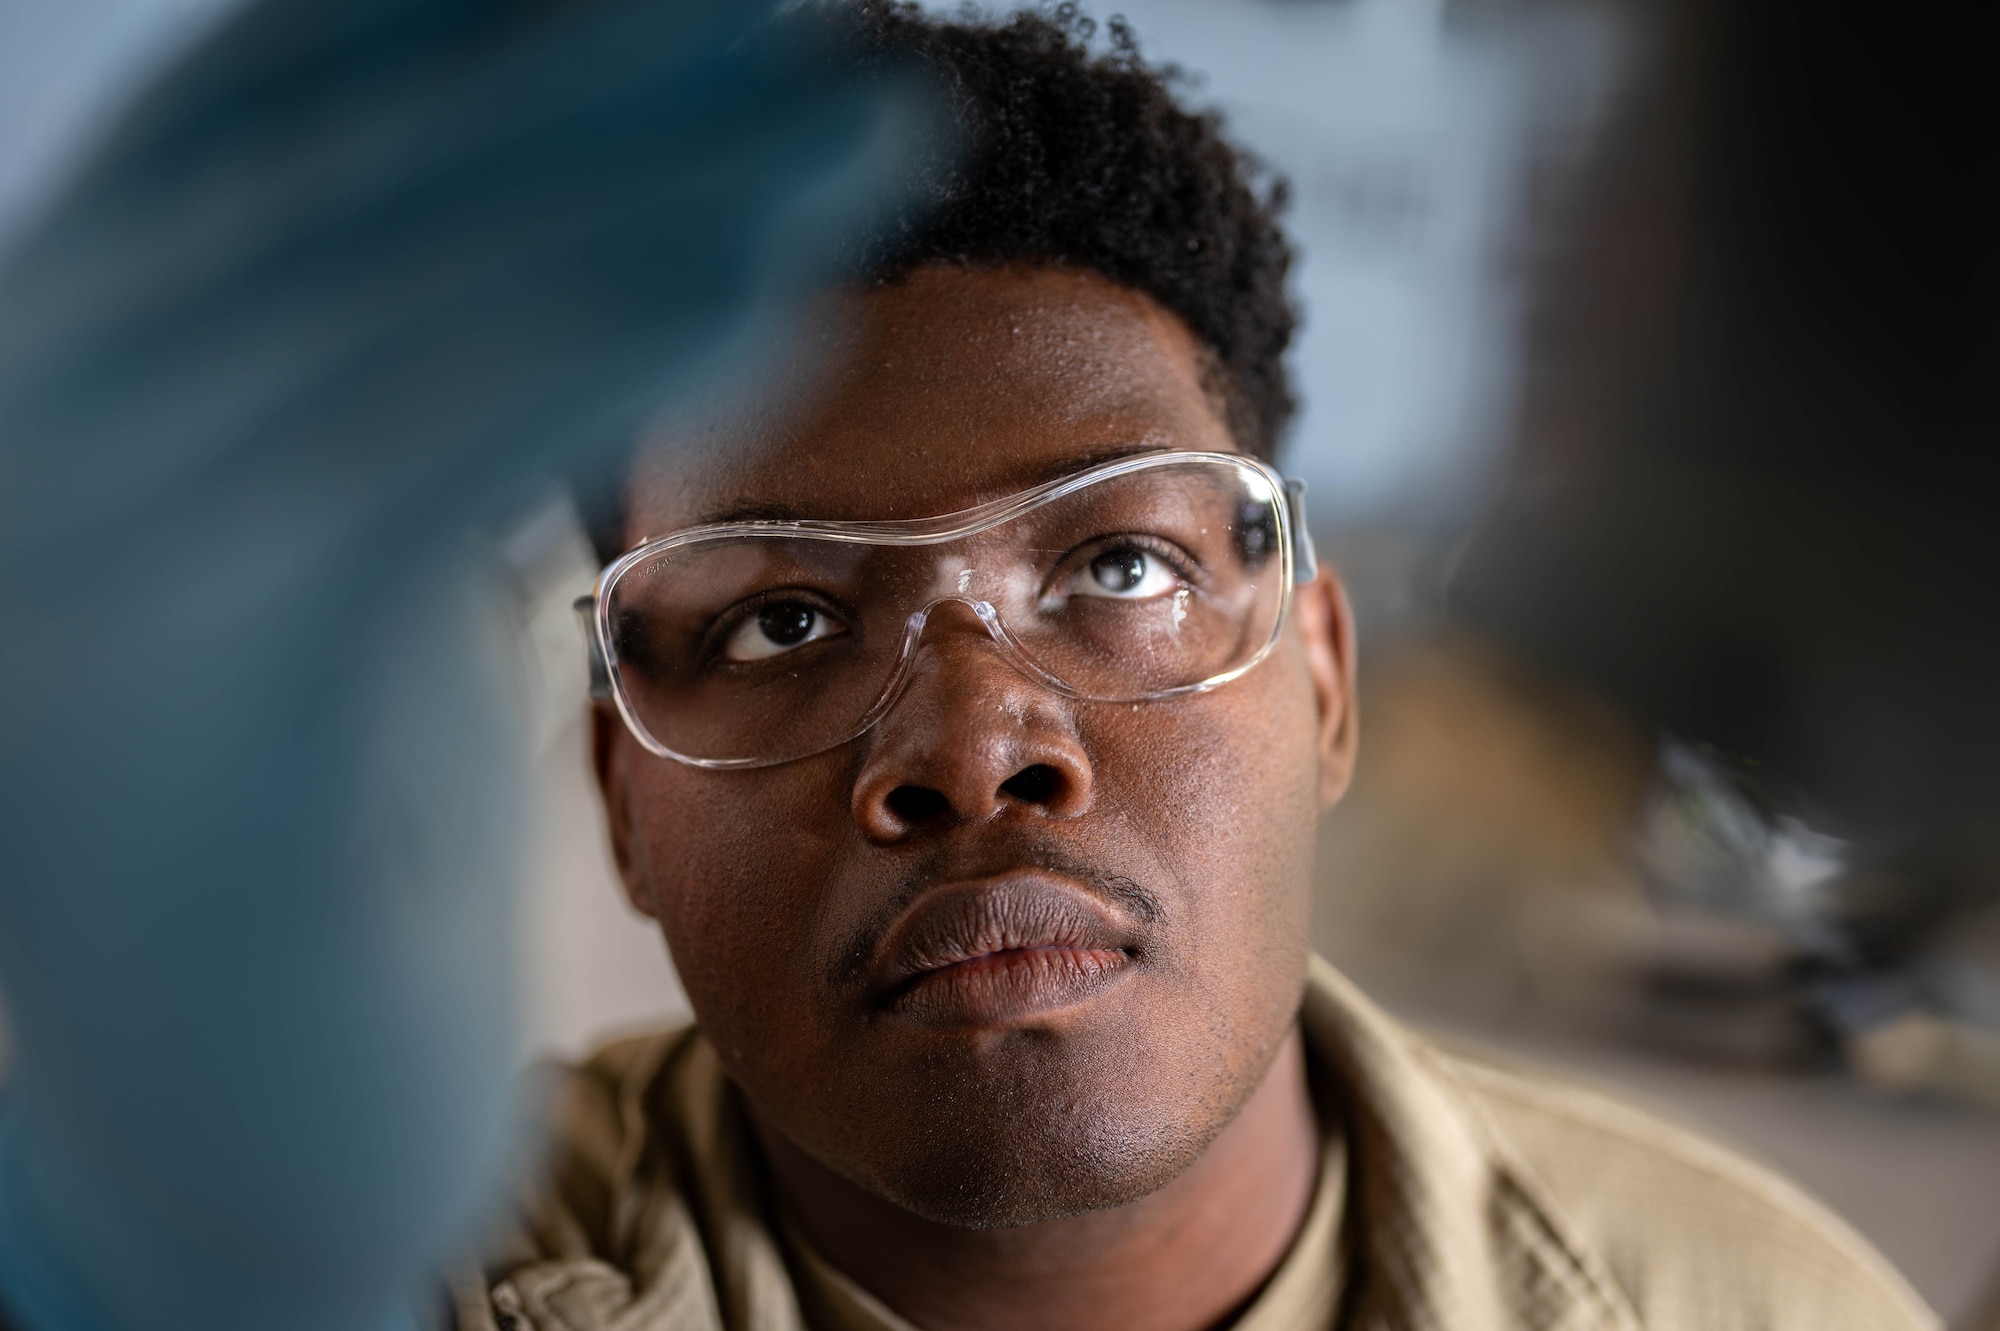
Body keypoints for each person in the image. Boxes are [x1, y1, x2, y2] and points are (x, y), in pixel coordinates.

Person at [452, 6, 1937, 1329]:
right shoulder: (356, 1273)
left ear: (1327, 683)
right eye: (782, 624)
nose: (976, 750)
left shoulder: (1752, 1307)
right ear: (625, 802)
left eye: (1120, 568)